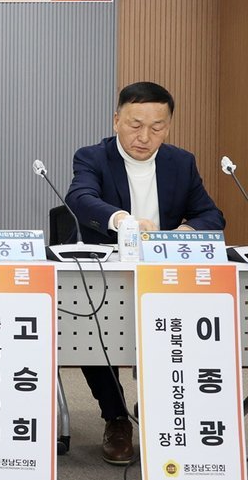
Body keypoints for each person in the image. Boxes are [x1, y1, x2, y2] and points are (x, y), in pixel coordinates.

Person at [64, 81, 224, 466]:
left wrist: (185, 231)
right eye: (135, 125)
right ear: (116, 120)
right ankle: (117, 417)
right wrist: (123, 220)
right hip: (105, 276)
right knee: (92, 331)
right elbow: (80, 198)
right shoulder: (93, 157)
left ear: (168, 126)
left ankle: (164, 407)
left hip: (163, 275)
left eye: (157, 127)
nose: (145, 136)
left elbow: (211, 214)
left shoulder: (180, 162)